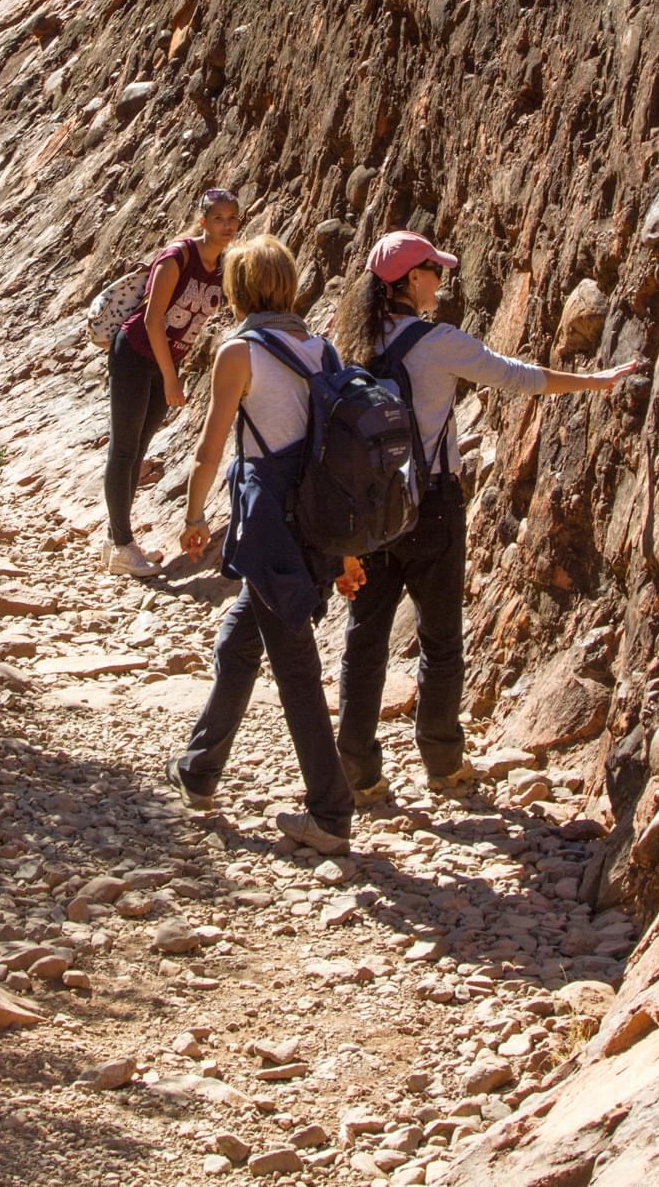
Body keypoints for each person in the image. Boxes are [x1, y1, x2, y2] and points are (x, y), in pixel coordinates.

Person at [332, 230, 641, 805]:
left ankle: (358, 772)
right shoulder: (438, 341)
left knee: (365, 638)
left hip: (371, 511)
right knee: (441, 639)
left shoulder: (353, 340)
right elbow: (518, 376)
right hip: (433, 506)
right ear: (410, 280)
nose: (441, 284)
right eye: (435, 273)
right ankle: (444, 764)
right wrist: (593, 382)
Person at [169, 235, 365, 856]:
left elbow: (210, 446)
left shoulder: (240, 352)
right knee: (239, 638)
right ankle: (199, 770)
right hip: (311, 519)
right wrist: (348, 549)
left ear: (237, 289)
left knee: (296, 667)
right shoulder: (323, 349)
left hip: (268, 526)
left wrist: (195, 514)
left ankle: (331, 813)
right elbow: (342, 458)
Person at [102, 187, 241, 577]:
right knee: (124, 449)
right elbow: (151, 319)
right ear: (203, 222)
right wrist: (170, 377)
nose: (226, 225)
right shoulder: (178, 256)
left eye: (232, 218)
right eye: (218, 218)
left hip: (164, 363)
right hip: (134, 354)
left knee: (138, 447)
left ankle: (118, 538)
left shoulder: (223, 266)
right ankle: (121, 546)